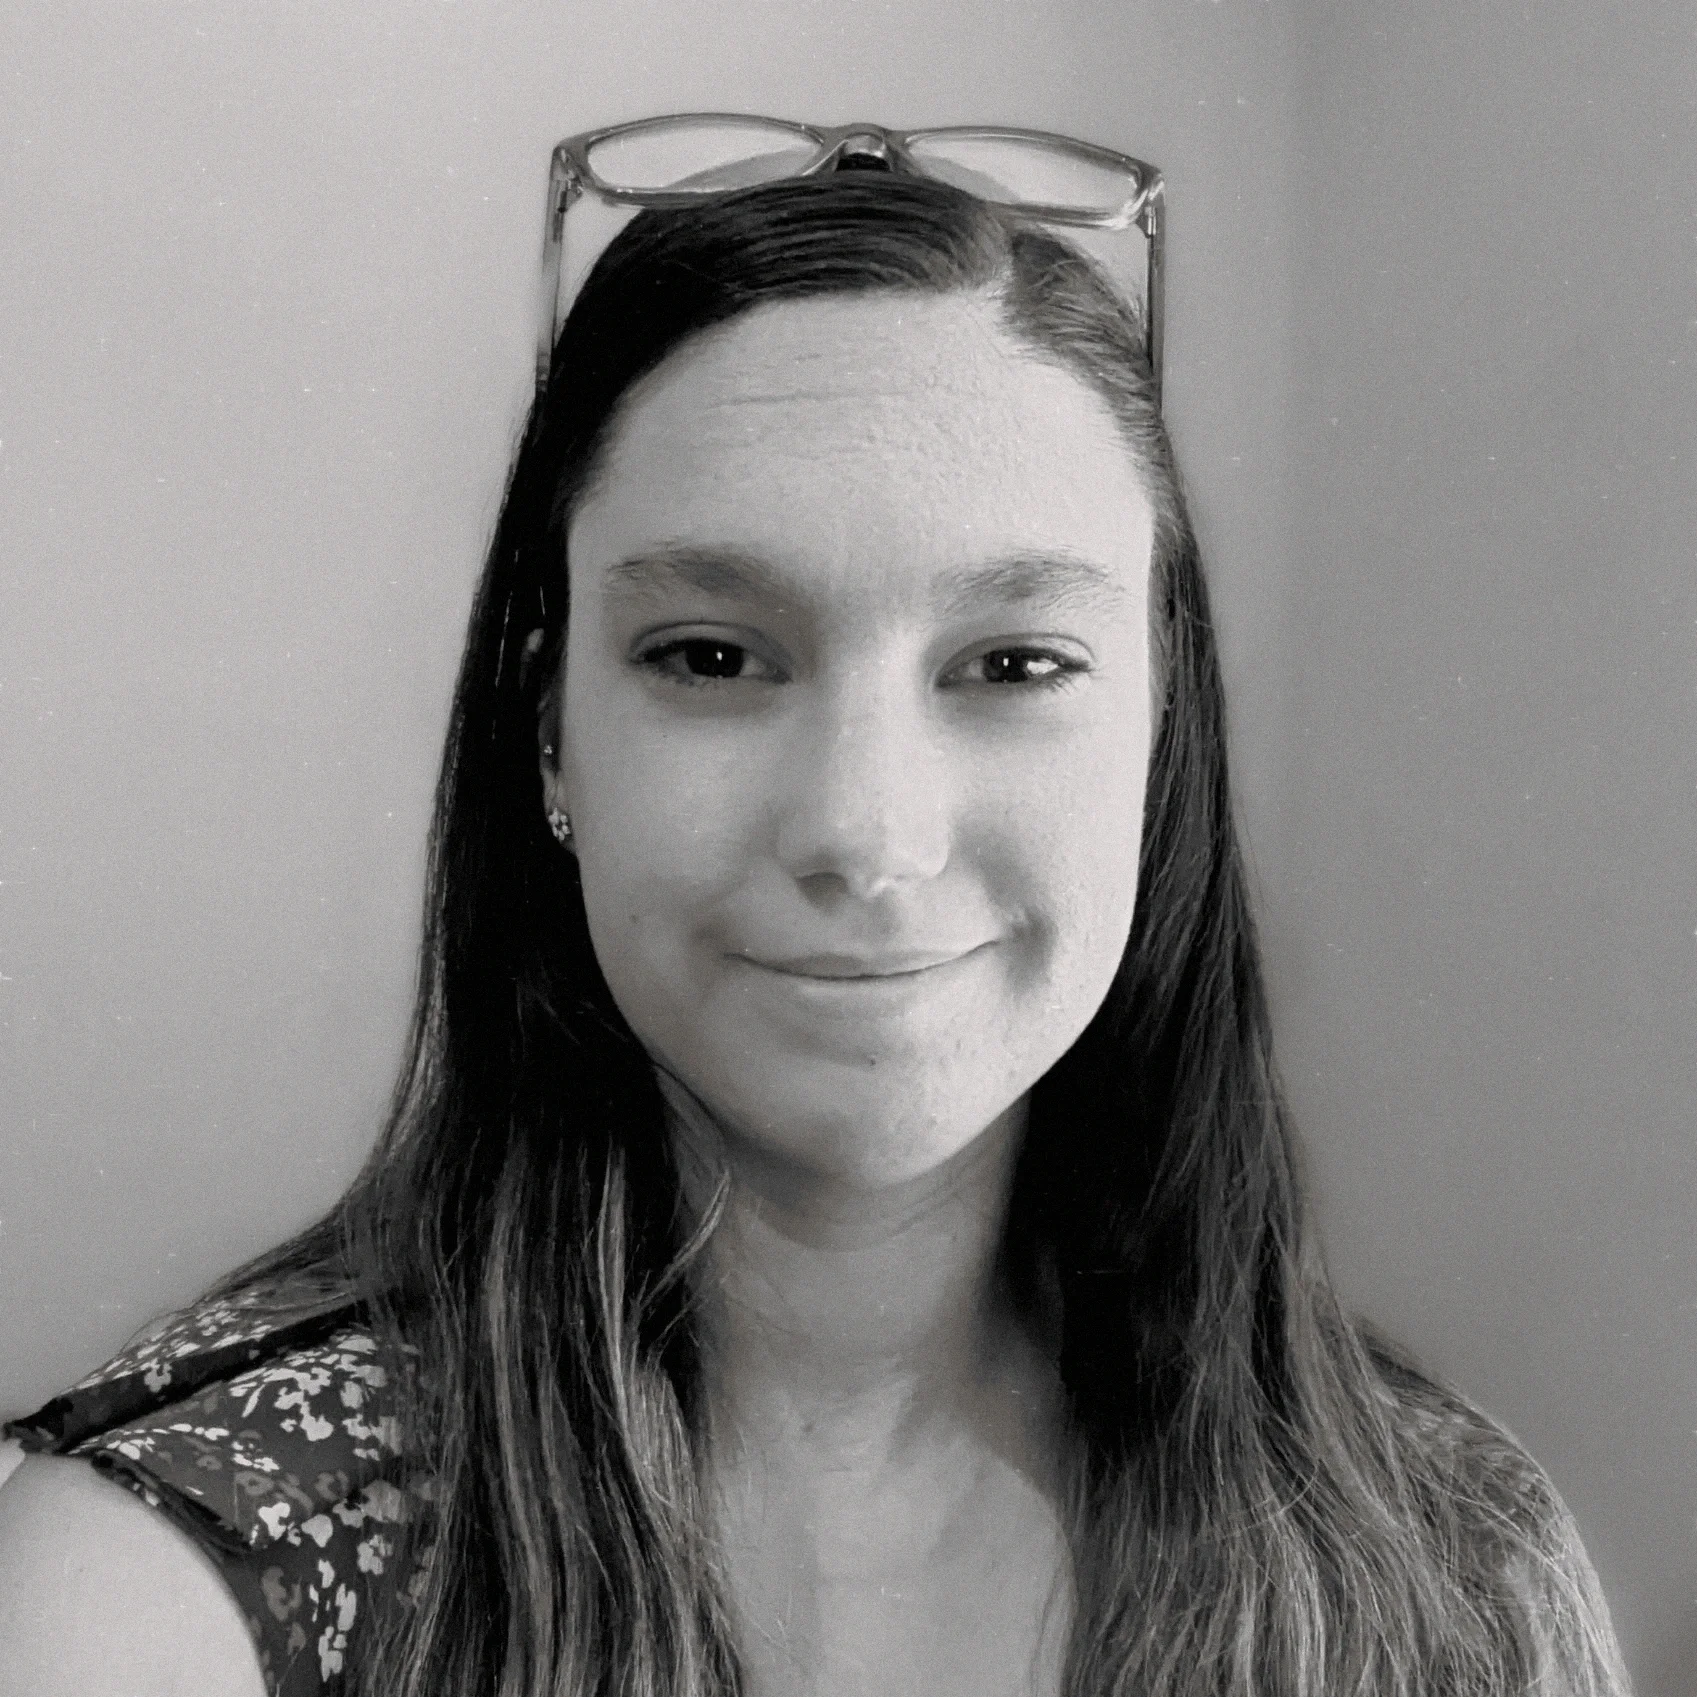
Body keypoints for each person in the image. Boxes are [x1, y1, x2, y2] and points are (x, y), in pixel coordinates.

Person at [0, 128, 1630, 1697]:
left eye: (1013, 665)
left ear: (1159, 735)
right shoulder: (150, 1594)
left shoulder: (1453, 1569)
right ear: (550, 730)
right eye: (711, 656)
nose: (867, 834)